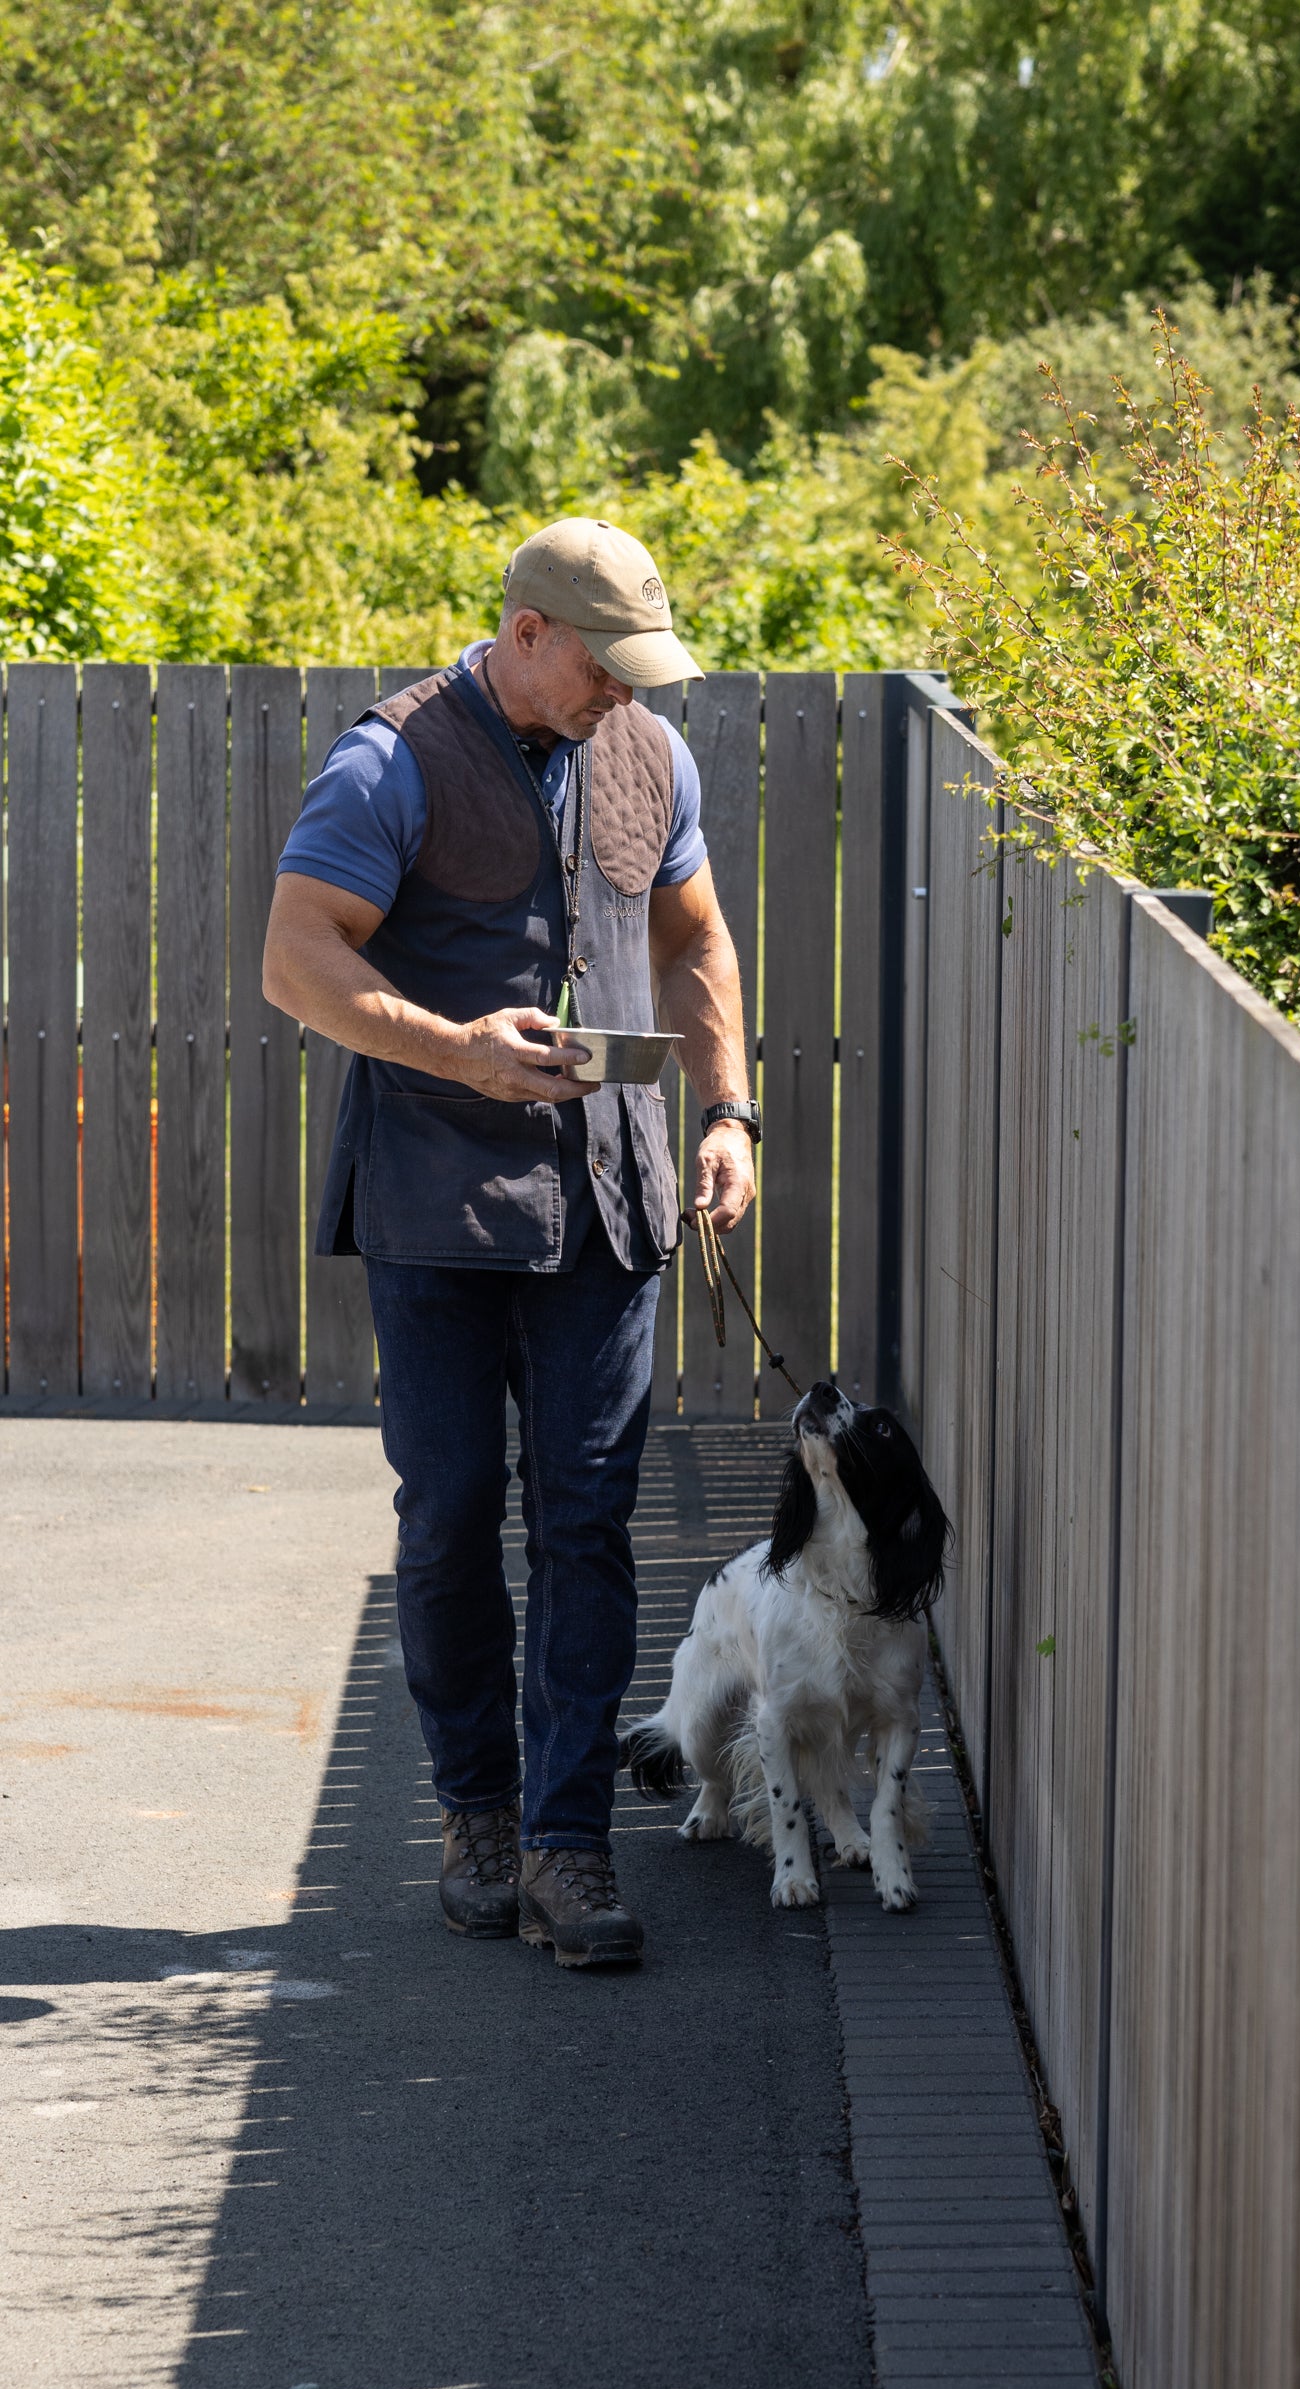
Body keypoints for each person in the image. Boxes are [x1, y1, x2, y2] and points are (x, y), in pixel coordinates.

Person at [262, 518, 759, 1969]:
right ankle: (475, 1811)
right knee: (452, 1517)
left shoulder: (649, 755)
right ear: (527, 631)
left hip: (608, 1196)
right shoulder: (389, 758)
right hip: (435, 1201)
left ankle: (567, 1846)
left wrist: (727, 1114)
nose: (625, 695)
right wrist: (455, 1050)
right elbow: (298, 960)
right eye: (606, 667)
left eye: (639, 672)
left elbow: (697, 942)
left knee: (589, 1521)